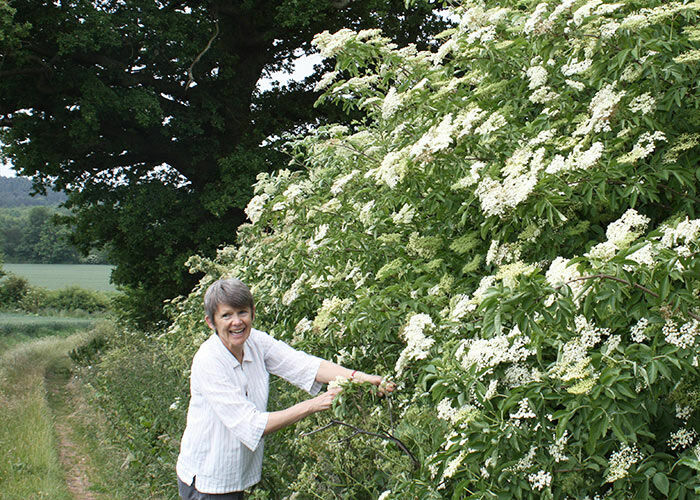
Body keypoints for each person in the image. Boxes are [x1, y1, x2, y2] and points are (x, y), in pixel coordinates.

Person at [176, 278, 392, 499]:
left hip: (235, 475)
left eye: (242, 312)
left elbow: (304, 365)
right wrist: (313, 405)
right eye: (226, 315)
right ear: (210, 322)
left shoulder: (256, 342)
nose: (237, 322)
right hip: (207, 479)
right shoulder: (209, 361)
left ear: (252, 312)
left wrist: (361, 378)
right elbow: (251, 425)